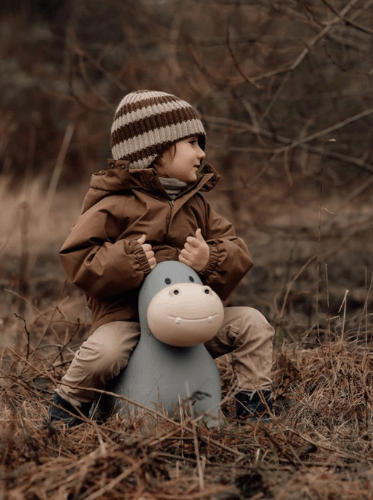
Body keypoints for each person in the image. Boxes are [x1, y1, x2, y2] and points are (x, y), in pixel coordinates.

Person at [49, 90, 274, 426]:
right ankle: (69, 408)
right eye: (193, 143)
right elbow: (79, 257)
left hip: (189, 319)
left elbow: (236, 248)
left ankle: (255, 406)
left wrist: (210, 259)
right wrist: (129, 262)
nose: (202, 153)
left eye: (201, 144)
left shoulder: (197, 204)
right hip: (128, 321)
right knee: (103, 355)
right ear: (155, 150)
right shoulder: (115, 204)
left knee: (253, 324)